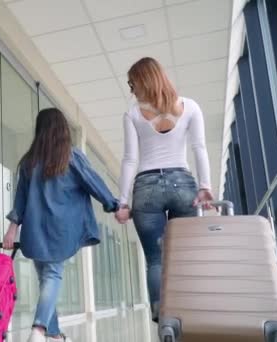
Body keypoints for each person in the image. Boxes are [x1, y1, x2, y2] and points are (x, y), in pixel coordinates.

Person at [2, 108, 119, 342]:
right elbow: (93, 182)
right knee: (52, 276)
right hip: (60, 231)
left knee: (46, 278)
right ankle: (39, 330)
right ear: (63, 130)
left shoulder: (28, 162)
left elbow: (20, 199)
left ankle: (53, 335)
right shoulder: (71, 156)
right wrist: (113, 205)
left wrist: (12, 229)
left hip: (34, 232)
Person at [114, 57, 213, 322]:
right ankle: (189, 313)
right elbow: (198, 148)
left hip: (146, 189)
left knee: (155, 259)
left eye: (132, 82)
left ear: (143, 80)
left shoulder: (133, 114)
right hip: (183, 184)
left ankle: (163, 319)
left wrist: (123, 202)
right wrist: (205, 186)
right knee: (183, 256)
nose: (131, 88)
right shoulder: (190, 107)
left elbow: (130, 159)